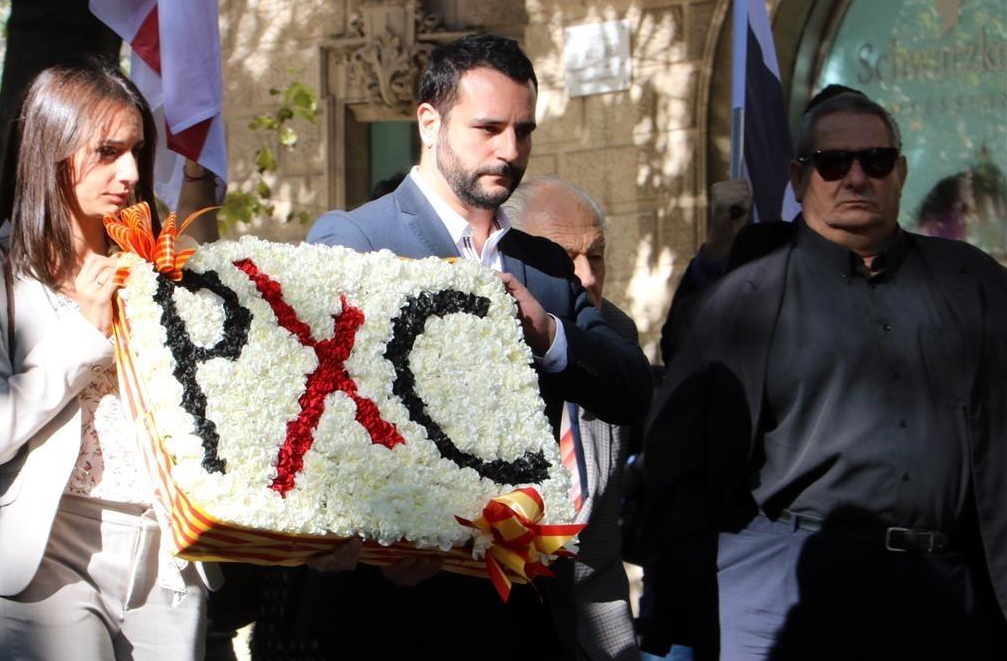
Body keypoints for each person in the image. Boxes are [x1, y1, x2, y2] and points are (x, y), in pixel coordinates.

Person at [280, 33, 653, 660]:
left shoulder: (544, 267)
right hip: (388, 614)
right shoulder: (356, 238)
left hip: (521, 615)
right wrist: (414, 530)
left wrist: (551, 335)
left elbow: (631, 387)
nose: (510, 151)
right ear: (430, 122)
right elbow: (318, 423)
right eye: (489, 128)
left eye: (524, 131)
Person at [641, 91, 1007, 659]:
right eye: (835, 163)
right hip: (784, 586)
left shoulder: (973, 283)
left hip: (944, 589)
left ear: (901, 172)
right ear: (798, 176)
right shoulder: (740, 302)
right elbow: (677, 462)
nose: (856, 177)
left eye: (876, 161)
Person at [0, 62, 217, 660]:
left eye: (136, 151)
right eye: (107, 151)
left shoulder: (159, 265)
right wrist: (85, 331)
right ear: (50, 149)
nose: (131, 172)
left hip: (170, 549)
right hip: (48, 549)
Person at [504, 175, 641, 660]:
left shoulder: (617, 336)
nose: (585, 276)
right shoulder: (481, 335)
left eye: (596, 255)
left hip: (589, 620)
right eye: (565, 259)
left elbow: (599, 533)